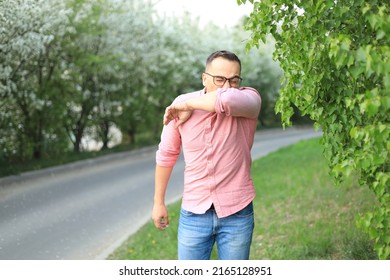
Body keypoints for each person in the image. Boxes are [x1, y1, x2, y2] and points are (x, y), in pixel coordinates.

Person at [152, 50, 261, 260]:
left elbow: (227, 99)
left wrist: (188, 105)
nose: (227, 86)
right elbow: (166, 154)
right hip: (194, 212)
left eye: (234, 80)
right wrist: (159, 202)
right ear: (204, 78)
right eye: (219, 79)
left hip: (237, 213)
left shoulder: (249, 100)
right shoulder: (180, 103)